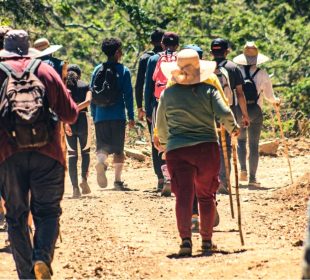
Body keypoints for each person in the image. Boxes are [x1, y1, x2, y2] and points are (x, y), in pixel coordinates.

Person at [0, 30, 78, 279]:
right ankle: (42, 256)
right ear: (29, 48)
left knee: (16, 217)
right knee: (46, 212)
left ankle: (27, 275)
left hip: (8, 155)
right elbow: (71, 113)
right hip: (48, 153)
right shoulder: (45, 70)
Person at [155, 49, 239, 256]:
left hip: (177, 150)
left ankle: (185, 241)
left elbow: (161, 126)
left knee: (183, 196)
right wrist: (233, 129)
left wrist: (166, 144)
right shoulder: (209, 91)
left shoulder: (167, 94)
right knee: (206, 195)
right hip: (206, 149)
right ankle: (207, 241)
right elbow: (225, 113)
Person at [233, 42, 280, 187]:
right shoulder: (262, 73)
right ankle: (252, 179)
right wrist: (276, 101)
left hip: (239, 110)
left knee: (240, 141)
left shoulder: (236, 71)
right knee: (253, 144)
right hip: (255, 110)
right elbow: (269, 96)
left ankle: (243, 170)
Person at [91, 37, 134, 190]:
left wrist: (94, 114)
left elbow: (92, 95)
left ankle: (101, 163)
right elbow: (128, 95)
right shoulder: (123, 71)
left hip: (101, 115)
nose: (121, 53)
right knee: (118, 150)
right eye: (120, 50)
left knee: (102, 147)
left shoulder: (97, 70)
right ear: (117, 53)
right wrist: (131, 117)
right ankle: (117, 181)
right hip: (117, 116)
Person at [210, 38, 250, 194]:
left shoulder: (207, 68)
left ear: (212, 52)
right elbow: (240, 94)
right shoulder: (233, 68)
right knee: (226, 146)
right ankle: (224, 182)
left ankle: (212, 180)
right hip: (228, 110)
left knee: (212, 145)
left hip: (210, 112)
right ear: (227, 51)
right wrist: (244, 115)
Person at [144, 31, 179, 195]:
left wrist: (147, 108)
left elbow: (148, 86)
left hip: (158, 104)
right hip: (178, 104)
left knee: (157, 140)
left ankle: (161, 177)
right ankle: (176, 176)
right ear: (177, 45)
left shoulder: (153, 59)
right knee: (177, 138)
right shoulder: (181, 58)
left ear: (162, 44)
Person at [135, 29, 165, 191]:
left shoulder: (146, 58)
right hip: (173, 105)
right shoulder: (174, 57)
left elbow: (141, 85)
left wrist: (141, 107)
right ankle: (171, 175)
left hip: (153, 106)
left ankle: (160, 178)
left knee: (156, 141)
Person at [65, 64, 92, 198]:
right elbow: (88, 101)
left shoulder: (63, 87)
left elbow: (61, 106)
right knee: (85, 152)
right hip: (83, 120)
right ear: (79, 74)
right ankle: (84, 180)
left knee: (72, 155)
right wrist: (77, 108)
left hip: (68, 122)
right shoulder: (85, 85)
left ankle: (75, 188)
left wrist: (67, 119)